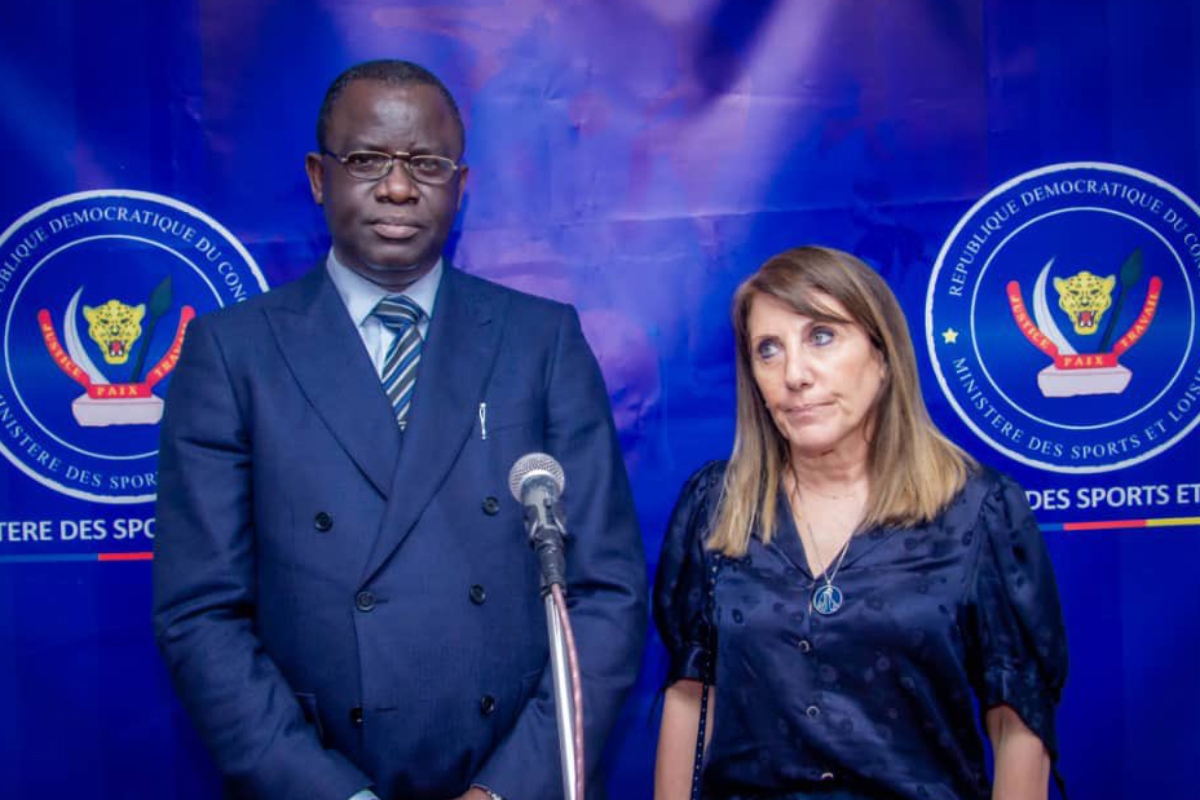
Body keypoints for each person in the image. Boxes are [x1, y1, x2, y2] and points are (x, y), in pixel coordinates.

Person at [152, 59, 646, 800]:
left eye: (426, 163)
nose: (397, 186)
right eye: (367, 160)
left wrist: (509, 789)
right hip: (319, 775)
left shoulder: (540, 340)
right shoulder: (231, 353)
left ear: (462, 184)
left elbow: (605, 594)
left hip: (509, 774)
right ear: (319, 176)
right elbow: (201, 613)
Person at [653, 246, 1067, 800]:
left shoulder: (979, 510)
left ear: (883, 354)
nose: (794, 374)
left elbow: (1018, 721)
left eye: (821, 336)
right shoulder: (715, 505)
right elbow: (689, 696)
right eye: (768, 350)